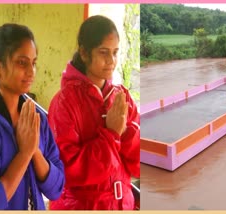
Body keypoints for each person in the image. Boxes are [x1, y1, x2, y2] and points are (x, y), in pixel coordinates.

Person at [48, 15, 140, 210]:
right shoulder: (64, 102)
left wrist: (126, 132)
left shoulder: (122, 96)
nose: (111, 61)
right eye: (103, 52)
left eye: (115, 52)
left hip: (122, 204)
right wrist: (112, 135)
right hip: (81, 206)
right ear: (84, 53)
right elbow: (69, 169)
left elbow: (139, 164)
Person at [0, 23, 65, 210]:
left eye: (33, 63)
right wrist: (24, 154)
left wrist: (34, 151)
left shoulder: (36, 119)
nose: (31, 71)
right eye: (22, 62)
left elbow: (56, 189)